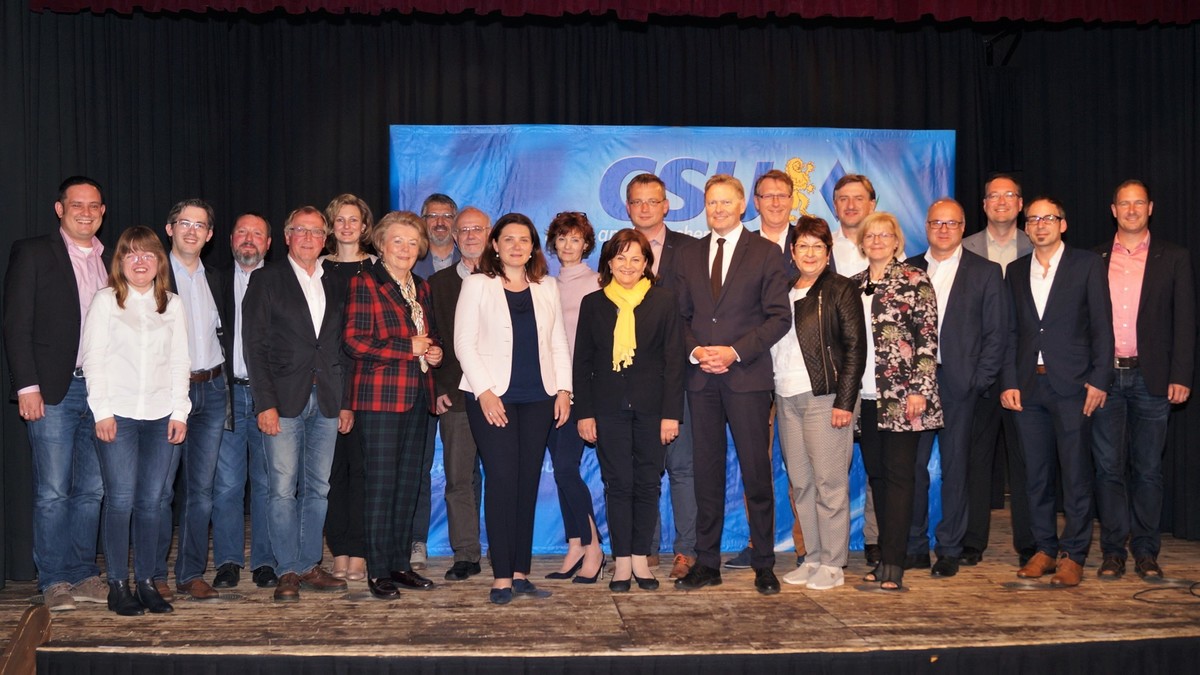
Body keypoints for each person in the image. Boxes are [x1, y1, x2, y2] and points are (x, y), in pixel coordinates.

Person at [673, 174, 791, 596]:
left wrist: (734, 352)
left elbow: (779, 317)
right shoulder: (687, 254)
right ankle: (707, 562)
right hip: (701, 380)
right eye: (711, 203)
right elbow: (679, 318)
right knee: (706, 475)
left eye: (726, 202)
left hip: (747, 378)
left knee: (756, 474)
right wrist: (697, 352)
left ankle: (764, 563)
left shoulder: (765, 252)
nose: (718, 209)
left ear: (743, 205)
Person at [454, 213, 572, 605]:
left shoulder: (547, 286)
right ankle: (501, 575)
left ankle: (521, 573)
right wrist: (485, 392)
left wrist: (564, 391)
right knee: (502, 482)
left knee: (527, 483)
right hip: (492, 399)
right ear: (495, 245)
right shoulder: (477, 285)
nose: (517, 246)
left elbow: (558, 343)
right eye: (509, 239)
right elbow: (463, 344)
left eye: (525, 240)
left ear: (533, 247)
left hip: (539, 398)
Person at [4, 176, 109, 611]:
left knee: (93, 489)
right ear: (59, 209)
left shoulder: (112, 260)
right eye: (77, 204)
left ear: (102, 211)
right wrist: (27, 386)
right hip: (52, 391)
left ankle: (84, 574)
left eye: (94, 205)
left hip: (101, 392)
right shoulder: (33, 252)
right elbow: (15, 323)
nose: (86, 212)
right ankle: (53, 579)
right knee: (52, 490)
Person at [1000, 197, 1113, 588]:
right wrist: (1009, 380)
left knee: (1077, 474)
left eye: (1048, 218)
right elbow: (1011, 331)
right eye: (1033, 219)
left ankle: (1074, 555)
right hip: (1029, 386)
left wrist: (1100, 379)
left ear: (1062, 224)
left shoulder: (1086, 265)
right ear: (1026, 227)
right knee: (1035, 475)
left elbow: (1102, 325)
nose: (1040, 225)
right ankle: (1045, 550)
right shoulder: (1015, 271)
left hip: (1073, 385)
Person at [243, 206, 353, 602]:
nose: (308, 237)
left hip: (327, 399)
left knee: (319, 488)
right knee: (281, 489)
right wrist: (264, 403)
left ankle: (310, 565)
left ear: (326, 239)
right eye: (300, 230)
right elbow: (254, 348)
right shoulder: (266, 280)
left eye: (316, 231)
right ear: (287, 236)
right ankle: (287, 568)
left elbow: (342, 347)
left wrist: (345, 402)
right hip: (283, 402)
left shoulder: (338, 282)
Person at [81, 226, 191, 615]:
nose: (140, 261)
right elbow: (93, 360)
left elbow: (181, 361)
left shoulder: (172, 305)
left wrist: (180, 411)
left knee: (151, 503)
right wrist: (102, 412)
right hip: (119, 417)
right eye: (131, 254)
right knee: (121, 501)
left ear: (159, 261)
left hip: (162, 417)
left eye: (147, 254)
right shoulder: (106, 301)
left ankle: (146, 581)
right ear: (121, 262)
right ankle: (117, 584)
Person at [1092, 180, 1194, 580]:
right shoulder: (1094, 258)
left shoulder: (1175, 257)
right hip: (1105, 379)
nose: (1131, 210)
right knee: (1107, 469)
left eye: (1139, 203)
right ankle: (1114, 551)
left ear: (1150, 208)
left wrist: (1181, 374)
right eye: (1124, 204)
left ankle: (1147, 551)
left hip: (1152, 379)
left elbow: (1186, 322)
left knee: (1148, 469)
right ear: (1113, 209)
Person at [574, 228, 684, 592]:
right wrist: (585, 413)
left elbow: (673, 361)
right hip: (607, 408)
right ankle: (622, 561)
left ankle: (641, 558)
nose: (628, 265)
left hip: (653, 409)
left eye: (636, 258)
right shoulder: (593, 304)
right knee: (617, 483)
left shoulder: (663, 301)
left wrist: (672, 414)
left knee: (648, 484)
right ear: (608, 262)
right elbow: (583, 363)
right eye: (620, 257)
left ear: (646, 264)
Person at [344, 211, 444, 599]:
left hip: (419, 396)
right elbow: (354, 341)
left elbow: (429, 335)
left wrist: (433, 351)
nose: (405, 248)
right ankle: (378, 569)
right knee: (381, 486)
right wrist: (409, 348)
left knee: (408, 485)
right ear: (382, 244)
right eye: (397, 241)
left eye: (412, 242)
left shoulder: (422, 287)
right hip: (381, 400)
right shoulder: (365, 282)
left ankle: (401, 564)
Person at [904, 199, 1006, 578]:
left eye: (951, 223)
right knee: (912, 467)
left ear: (964, 227)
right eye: (936, 223)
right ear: (926, 226)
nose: (943, 230)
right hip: (914, 383)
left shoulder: (986, 272)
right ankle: (914, 545)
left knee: (955, 468)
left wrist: (978, 380)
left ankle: (949, 547)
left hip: (960, 381)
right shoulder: (907, 269)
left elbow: (997, 333)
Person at [772, 217, 866, 591]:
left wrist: (845, 400)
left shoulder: (841, 289)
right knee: (801, 483)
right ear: (792, 252)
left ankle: (832, 563)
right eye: (802, 246)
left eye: (818, 247)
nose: (809, 254)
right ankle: (812, 557)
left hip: (825, 397)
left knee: (829, 483)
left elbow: (856, 348)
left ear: (828, 253)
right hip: (785, 396)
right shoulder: (781, 289)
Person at [851, 212, 942, 591]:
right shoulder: (852, 285)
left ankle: (895, 563)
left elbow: (927, 340)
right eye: (870, 235)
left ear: (896, 241)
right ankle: (884, 557)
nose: (876, 240)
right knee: (878, 479)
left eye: (884, 235)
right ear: (861, 242)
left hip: (904, 398)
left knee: (901, 478)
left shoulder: (915, 280)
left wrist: (919, 389)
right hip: (865, 397)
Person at [726, 169, 807, 571]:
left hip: (799, 371)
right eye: (767, 195)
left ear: (793, 200)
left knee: (800, 463)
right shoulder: (743, 246)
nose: (775, 202)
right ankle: (758, 543)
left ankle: (805, 543)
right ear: (754, 202)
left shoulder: (808, 242)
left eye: (782, 195)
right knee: (754, 463)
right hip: (752, 369)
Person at [625, 172, 698, 580]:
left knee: (683, 468)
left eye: (653, 201)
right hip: (633, 381)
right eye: (637, 202)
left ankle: (685, 551)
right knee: (643, 468)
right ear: (628, 208)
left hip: (680, 374)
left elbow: (699, 310)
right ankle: (644, 549)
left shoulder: (690, 249)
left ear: (666, 205)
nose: (645, 208)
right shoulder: (618, 249)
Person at [961, 173, 1036, 567]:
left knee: (1026, 459)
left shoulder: (1039, 242)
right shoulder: (964, 246)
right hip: (978, 374)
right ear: (984, 204)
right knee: (976, 459)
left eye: (1010, 195)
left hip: (1025, 373)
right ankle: (973, 541)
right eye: (994, 195)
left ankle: (1029, 542)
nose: (1001, 201)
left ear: (1021, 204)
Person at [163, 199, 230, 603]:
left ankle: (189, 573)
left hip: (213, 388)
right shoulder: (152, 273)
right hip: (169, 393)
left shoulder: (217, 279)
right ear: (169, 229)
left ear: (209, 235)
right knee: (159, 490)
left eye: (200, 224)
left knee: (201, 490)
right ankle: (154, 574)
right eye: (184, 223)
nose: (192, 230)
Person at [212, 212, 278, 589]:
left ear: (270, 243)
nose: (249, 239)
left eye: (257, 234)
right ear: (231, 240)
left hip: (272, 395)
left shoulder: (283, 282)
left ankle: (265, 562)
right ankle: (228, 561)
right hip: (227, 393)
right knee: (227, 485)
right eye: (242, 233)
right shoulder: (214, 281)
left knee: (269, 482)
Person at [429, 207, 490, 581]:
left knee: (503, 477)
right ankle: (466, 553)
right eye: (463, 229)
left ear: (490, 233)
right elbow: (432, 342)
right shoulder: (437, 286)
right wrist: (436, 387)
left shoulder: (509, 279)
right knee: (458, 479)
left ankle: (506, 546)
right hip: (455, 396)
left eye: (477, 229)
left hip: (502, 396)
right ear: (454, 237)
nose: (469, 235)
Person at [543, 211, 604, 582]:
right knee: (561, 472)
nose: (568, 245)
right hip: (550, 391)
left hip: (583, 389)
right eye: (562, 238)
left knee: (566, 469)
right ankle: (575, 544)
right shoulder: (545, 285)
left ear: (586, 244)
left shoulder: (598, 282)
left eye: (575, 239)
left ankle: (594, 546)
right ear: (553, 244)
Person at [321, 193, 376, 583]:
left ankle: (358, 549)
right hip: (327, 380)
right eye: (339, 219)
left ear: (364, 225)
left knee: (364, 470)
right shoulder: (316, 268)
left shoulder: (377, 268)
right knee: (331, 472)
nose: (346, 226)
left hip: (368, 380)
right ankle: (338, 549)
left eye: (353, 219)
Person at [831, 173, 880, 566]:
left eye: (858, 198)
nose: (850, 205)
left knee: (880, 464)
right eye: (843, 199)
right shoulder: (819, 249)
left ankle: (876, 540)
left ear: (872, 204)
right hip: (837, 378)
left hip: (879, 378)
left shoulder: (886, 249)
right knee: (832, 467)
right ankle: (830, 546)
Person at [410, 193, 462, 569]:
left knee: (469, 471)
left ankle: (477, 542)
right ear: (423, 220)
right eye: (433, 216)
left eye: (447, 216)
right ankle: (415, 540)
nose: (440, 222)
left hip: (463, 387)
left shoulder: (476, 267)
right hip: (414, 386)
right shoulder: (410, 264)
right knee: (418, 465)